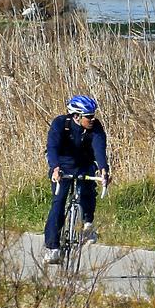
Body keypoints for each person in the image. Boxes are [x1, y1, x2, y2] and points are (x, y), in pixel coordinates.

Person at [44, 95, 110, 262]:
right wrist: (55, 168)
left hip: (84, 164)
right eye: (88, 116)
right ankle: (53, 248)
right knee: (58, 203)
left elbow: (99, 149)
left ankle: (87, 224)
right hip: (62, 166)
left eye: (93, 115)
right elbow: (52, 147)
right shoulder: (60, 124)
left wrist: (104, 170)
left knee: (87, 190)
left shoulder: (95, 128)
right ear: (76, 116)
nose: (92, 119)